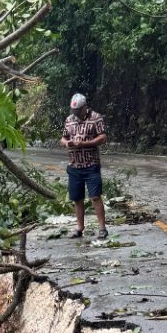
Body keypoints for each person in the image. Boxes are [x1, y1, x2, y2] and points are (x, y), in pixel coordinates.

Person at [61, 93, 108, 239]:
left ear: (85, 107)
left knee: (95, 196)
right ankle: (79, 228)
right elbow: (63, 138)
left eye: (78, 111)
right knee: (77, 198)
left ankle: (102, 228)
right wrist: (67, 143)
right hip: (74, 165)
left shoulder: (96, 117)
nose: (75, 114)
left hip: (91, 164)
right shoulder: (69, 120)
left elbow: (102, 137)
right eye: (73, 111)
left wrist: (85, 143)